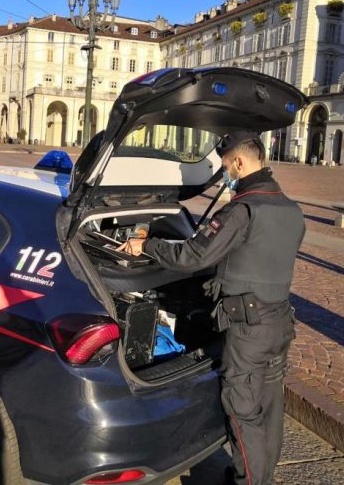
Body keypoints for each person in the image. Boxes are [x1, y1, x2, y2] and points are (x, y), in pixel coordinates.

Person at [118, 131, 305, 485]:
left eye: (225, 167)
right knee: (270, 408)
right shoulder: (289, 208)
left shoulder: (242, 209)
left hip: (248, 327)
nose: (226, 175)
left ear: (238, 162)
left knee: (242, 408)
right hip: (279, 320)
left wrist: (147, 245)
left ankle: (248, 480)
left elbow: (192, 255)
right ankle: (259, 476)